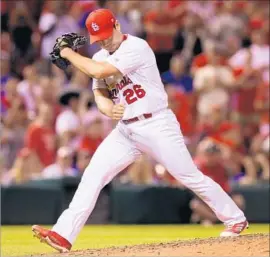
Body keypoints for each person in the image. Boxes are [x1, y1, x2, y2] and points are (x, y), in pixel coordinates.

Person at [32, 9, 248, 253]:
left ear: (115, 25)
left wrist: (67, 52)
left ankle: (235, 219)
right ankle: (63, 235)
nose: (101, 41)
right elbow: (99, 91)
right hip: (125, 129)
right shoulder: (102, 54)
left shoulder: (136, 46)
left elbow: (99, 71)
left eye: (104, 34)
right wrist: (106, 108)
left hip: (156, 123)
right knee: (93, 176)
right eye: (97, 38)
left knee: (189, 176)